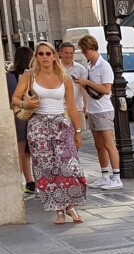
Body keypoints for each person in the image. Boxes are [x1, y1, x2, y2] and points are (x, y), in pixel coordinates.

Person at [10, 41, 86, 224]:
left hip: (61, 124)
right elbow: (15, 98)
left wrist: (77, 131)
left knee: (68, 164)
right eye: (41, 54)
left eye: (48, 53)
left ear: (54, 56)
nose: (45, 57)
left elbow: (72, 107)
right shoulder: (29, 76)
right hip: (38, 127)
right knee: (46, 168)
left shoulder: (64, 77)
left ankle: (71, 205)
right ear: (36, 56)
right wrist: (24, 104)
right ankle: (59, 209)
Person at [73, 35, 122, 190]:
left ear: (93, 49)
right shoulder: (89, 66)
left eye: (85, 51)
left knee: (109, 144)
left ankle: (117, 176)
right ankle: (105, 175)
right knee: (99, 145)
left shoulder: (104, 66)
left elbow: (106, 89)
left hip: (103, 109)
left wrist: (87, 82)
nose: (84, 54)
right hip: (93, 110)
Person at [7, 46, 36, 198]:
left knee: (21, 152)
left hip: (18, 117)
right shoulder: (33, 76)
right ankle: (35, 182)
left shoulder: (9, 76)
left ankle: (26, 183)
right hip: (33, 116)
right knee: (35, 153)